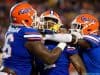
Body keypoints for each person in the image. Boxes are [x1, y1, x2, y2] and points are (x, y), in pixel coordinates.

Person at [0, 2, 67, 75]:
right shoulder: (28, 32)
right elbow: (50, 59)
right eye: (33, 17)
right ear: (25, 19)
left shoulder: (11, 29)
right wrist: (63, 41)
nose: (35, 19)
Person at [34, 10, 86, 75]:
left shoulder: (68, 45)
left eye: (53, 22)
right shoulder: (34, 43)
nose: (49, 24)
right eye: (46, 20)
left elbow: (81, 70)